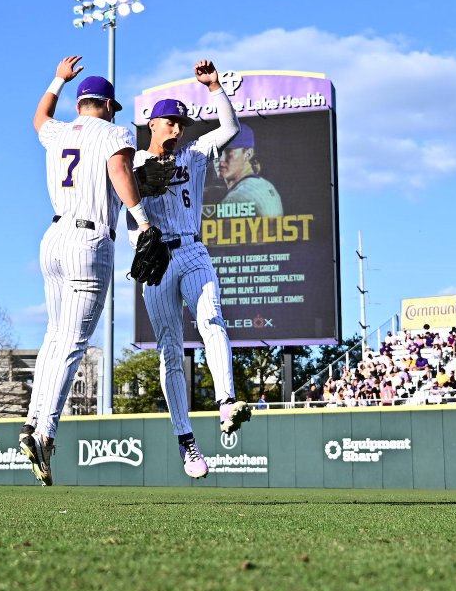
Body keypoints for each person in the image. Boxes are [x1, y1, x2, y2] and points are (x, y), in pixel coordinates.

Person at [19, 56, 153, 486]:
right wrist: (142, 219)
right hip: (89, 239)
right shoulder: (116, 131)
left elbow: (39, 117)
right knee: (73, 344)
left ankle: (32, 420)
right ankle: (44, 433)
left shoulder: (58, 130)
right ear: (109, 105)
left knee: (53, 338)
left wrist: (57, 78)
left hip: (53, 238)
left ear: (80, 104)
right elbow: (118, 169)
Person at [128, 59, 250, 479]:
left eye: (181, 122)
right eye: (170, 122)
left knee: (212, 318)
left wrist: (215, 88)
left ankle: (227, 402)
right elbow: (120, 212)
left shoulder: (195, 155)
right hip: (158, 259)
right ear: (153, 125)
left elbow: (230, 129)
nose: (177, 129)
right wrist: (137, 238)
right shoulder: (134, 162)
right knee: (170, 349)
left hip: (194, 250)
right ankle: (186, 439)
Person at [215, 123, 283, 216]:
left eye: (228, 151)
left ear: (248, 154)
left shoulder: (235, 198)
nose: (220, 159)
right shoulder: (265, 185)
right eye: (216, 151)